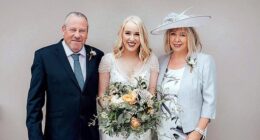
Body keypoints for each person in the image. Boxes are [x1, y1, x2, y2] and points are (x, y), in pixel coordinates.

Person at [26, 12, 103, 140]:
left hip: (90, 136)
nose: (77, 35)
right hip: (58, 135)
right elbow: (34, 104)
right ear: (63, 30)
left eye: (82, 30)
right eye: (73, 29)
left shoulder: (98, 56)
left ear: (87, 33)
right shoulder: (44, 57)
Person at [151, 10, 216, 140]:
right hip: (162, 130)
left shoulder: (204, 61)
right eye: (173, 34)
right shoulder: (160, 61)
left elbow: (210, 102)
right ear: (168, 37)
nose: (176, 39)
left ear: (190, 37)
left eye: (182, 35)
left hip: (189, 132)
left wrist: (198, 132)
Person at [98, 15, 159, 140]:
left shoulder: (151, 60)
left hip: (140, 128)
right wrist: (119, 109)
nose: (132, 38)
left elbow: (152, 93)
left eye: (137, 34)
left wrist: (140, 112)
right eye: (127, 33)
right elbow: (102, 96)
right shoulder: (108, 60)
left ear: (142, 37)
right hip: (114, 129)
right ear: (121, 34)